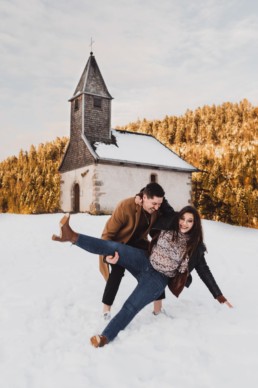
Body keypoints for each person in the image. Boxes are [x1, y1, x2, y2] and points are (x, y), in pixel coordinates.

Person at [52, 205, 233, 348]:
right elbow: (161, 199)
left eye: (189, 221)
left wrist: (219, 295)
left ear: (195, 224)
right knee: (115, 247)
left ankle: (105, 337)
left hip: (157, 279)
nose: (184, 223)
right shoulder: (170, 224)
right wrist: (140, 197)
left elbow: (205, 271)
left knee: (131, 305)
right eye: (183, 219)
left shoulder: (195, 247)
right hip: (145, 261)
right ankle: (72, 236)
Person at [99, 183, 175, 319]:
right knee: (117, 271)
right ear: (144, 198)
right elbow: (107, 234)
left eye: (159, 204)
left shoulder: (155, 208)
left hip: (138, 243)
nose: (157, 207)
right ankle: (106, 311)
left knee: (158, 264)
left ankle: (158, 310)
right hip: (118, 243)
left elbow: (170, 214)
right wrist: (106, 255)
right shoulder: (125, 206)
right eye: (154, 203)